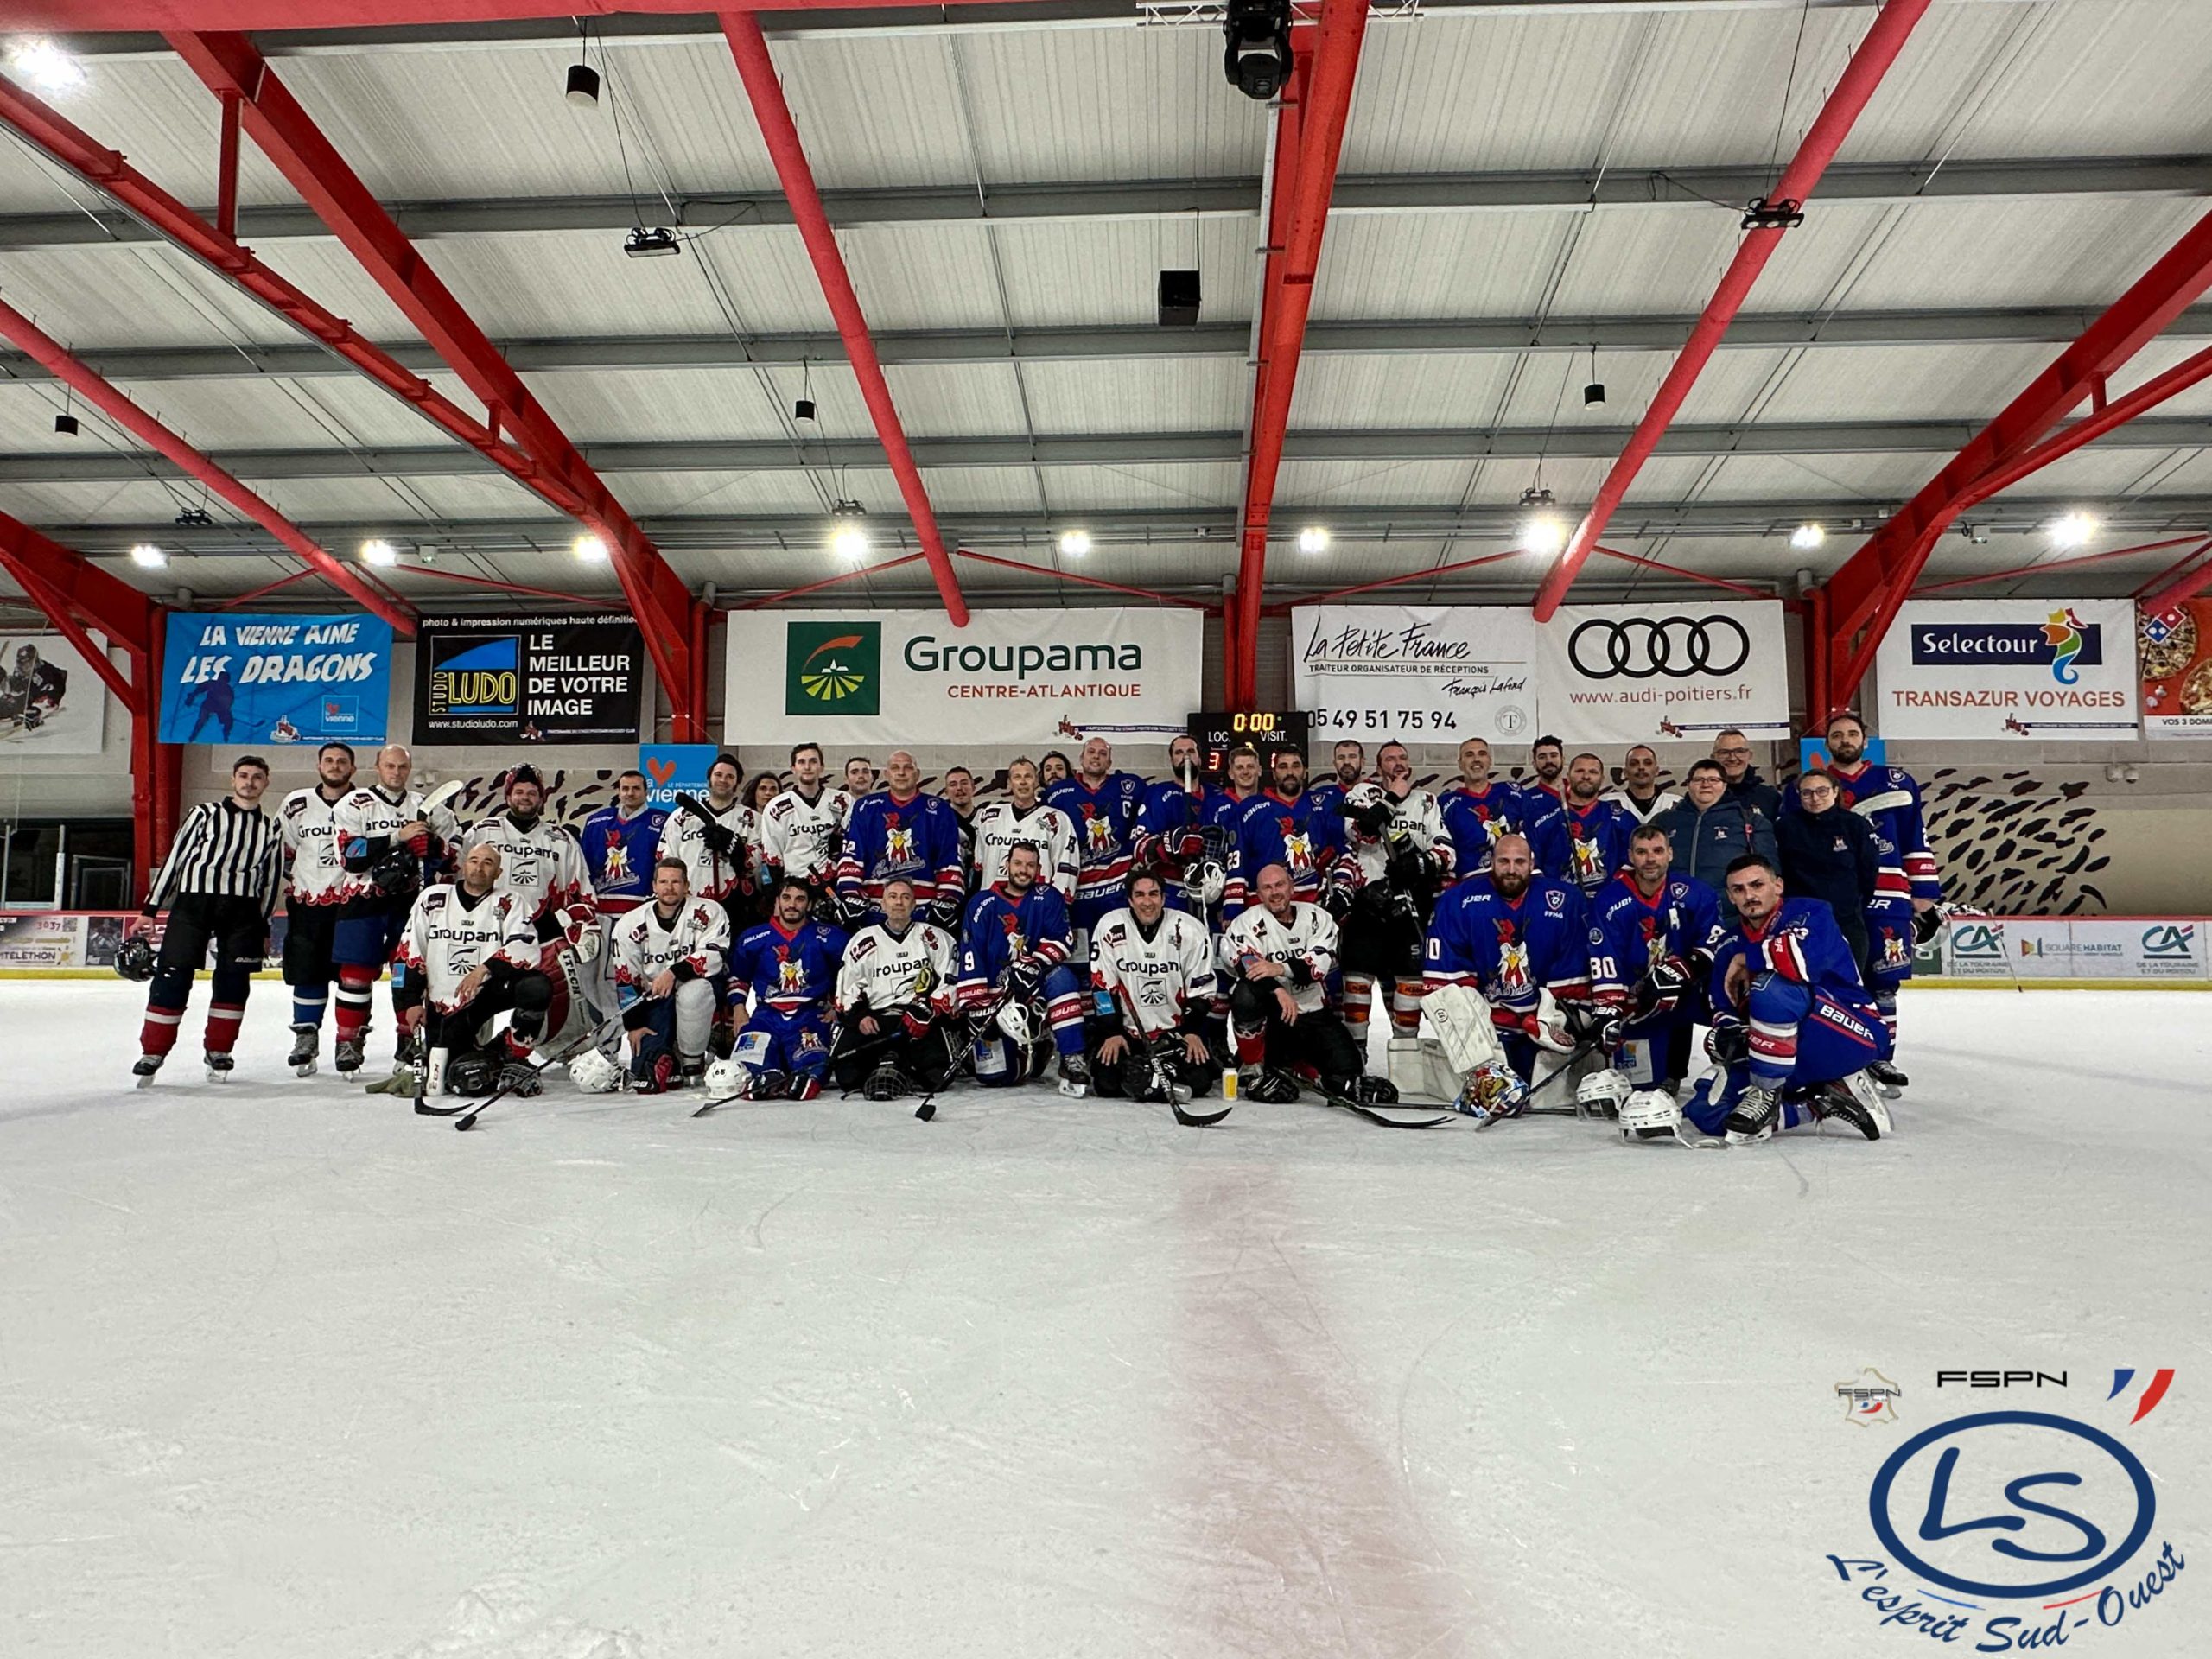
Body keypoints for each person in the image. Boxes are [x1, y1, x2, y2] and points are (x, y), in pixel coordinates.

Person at [1681, 855, 1891, 1145]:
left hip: (1850, 1035)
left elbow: (1799, 961)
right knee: (1707, 1112)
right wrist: (1729, 1035)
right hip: (1782, 1052)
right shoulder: (1729, 944)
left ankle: (1766, 1092)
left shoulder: (1812, 913)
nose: (1749, 895)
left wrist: (1747, 958)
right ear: (1730, 896)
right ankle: (1818, 1104)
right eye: (1739, 889)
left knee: (1771, 986)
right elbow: (1723, 1006)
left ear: (1778, 886)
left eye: (1757, 885)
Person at [130, 755, 286, 1085]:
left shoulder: (271, 827)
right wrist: (150, 909)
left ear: (266, 783)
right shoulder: (204, 814)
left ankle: (219, 1049)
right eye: (243, 775)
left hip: (243, 910)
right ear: (233, 780)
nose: (249, 782)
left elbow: (271, 881)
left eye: (257, 777)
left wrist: (264, 925)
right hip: (194, 904)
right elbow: (175, 859)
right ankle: (153, 1051)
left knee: (234, 981)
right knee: (173, 976)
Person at [1813, 710, 1941, 1094]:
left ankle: (1882, 1058)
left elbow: (1914, 835)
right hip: (1833, 897)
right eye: (1838, 735)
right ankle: (1841, 1059)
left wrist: (1924, 891)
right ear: (1827, 743)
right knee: (1835, 982)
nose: (1845, 740)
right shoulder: (1813, 786)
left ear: (1865, 741)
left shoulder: (1897, 782)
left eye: (1852, 734)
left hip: (1889, 894)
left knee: (1884, 984)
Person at [1421, 833, 1592, 1116]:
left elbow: (1573, 976)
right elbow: (1445, 986)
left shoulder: (1565, 901)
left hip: (1539, 1027)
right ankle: (1483, 1078)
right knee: (1449, 999)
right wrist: (1476, 1036)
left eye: (1519, 862)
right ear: (1491, 862)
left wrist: (1553, 1023)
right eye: (1504, 861)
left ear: (1532, 864)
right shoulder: (1458, 901)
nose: (1511, 869)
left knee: (1548, 1091)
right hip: (1488, 1031)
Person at [393, 842, 557, 1098]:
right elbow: (408, 952)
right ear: (463, 865)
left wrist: (484, 969)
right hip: (445, 1003)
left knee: (536, 987)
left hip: (488, 991)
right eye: (474, 860)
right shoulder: (434, 899)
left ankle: (514, 1051)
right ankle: (493, 1056)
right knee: (461, 1078)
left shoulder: (509, 902)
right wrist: (410, 1002)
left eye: (488, 863)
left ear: (498, 873)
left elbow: (525, 946)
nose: (479, 867)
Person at [331, 743, 455, 1077]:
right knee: (355, 975)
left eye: (402, 767)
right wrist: (396, 837)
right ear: (377, 767)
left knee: (408, 973)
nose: (396, 772)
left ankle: (409, 1039)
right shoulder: (354, 803)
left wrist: (434, 846)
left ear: (409, 769)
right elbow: (350, 856)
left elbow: (455, 851)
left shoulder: (427, 807)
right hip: (362, 901)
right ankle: (348, 1040)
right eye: (390, 766)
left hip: (411, 904)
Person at [1220, 862, 1389, 1105]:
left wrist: (1278, 968)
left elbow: (1317, 966)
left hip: (1313, 1013)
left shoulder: (1317, 918)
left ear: (1291, 887)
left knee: (1350, 1070)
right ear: (1259, 894)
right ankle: (1253, 1065)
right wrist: (1278, 990)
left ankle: (1305, 1067)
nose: (1275, 892)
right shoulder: (1245, 924)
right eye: (1267, 888)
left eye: (1280, 885)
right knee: (1245, 994)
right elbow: (1248, 968)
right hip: (1274, 1020)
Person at [1587, 824, 1724, 1098]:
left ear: (1670, 854)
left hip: (1687, 993)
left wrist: (1682, 970)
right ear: (1630, 856)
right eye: (1642, 852)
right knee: (1643, 1088)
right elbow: (1605, 957)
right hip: (1638, 1002)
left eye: (1658, 851)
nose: (1650, 859)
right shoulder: (1609, 900)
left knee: (1734, 991)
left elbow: (1715, 940)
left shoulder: (1697, 893)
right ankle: (1666, 1072)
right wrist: (1609, 1011)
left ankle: (1731, 1063)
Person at [1335, 741, 1449, 1046]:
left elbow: (1446, 851)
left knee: (1410, 981)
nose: (1397, 763)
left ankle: (1405, 1052)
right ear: (1377, 766)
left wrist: (1419, 864)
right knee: (1357, 981)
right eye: (1389, 758)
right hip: (1367, 905)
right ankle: (1357, 1055)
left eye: (1402, 758)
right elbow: (1363, 831)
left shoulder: (1427, 801)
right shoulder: (1361, 793)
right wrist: (1393, 797)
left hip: (1410, 904)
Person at [957, 844, 1089, 1091]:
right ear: (1006, 864)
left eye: (1030, 865)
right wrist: (978, 1010)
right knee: (996, 1077)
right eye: (1018, 863)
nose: (1023, 870)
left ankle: (1072, 1057)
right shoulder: (981, 903)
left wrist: (1034, 964)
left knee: (1063, 978)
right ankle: (1035, 1049)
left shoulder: (1048, 896)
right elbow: (971, 956)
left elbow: (1063, 939)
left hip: (1035, 990)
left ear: (1038, 869)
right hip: (997, 999)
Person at [1086, 870, 1220, 1103]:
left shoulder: (1188, 929)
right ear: (1130, 900)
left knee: (1201, 1081)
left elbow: (1203, 990)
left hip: (1174, 1034)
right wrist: (1112, 1033)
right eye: (1139, 895)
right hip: (1128, 1033)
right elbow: (1102, 990)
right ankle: (1158, 1080)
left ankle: (1148, 1081)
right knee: (1105, 1084)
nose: (1147, 902)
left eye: (1153, 894)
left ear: (1164, 898)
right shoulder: (1110, 926)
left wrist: (1190, 1031)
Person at [607, 857, 731, 1093]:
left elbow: (715, 956)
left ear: (687, 885)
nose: (669, 887)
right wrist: (634, 1025)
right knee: (647, 1075)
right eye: (663, 882)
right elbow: (625, 976)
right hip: (655, 1000)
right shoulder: (630, 923)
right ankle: (670, 1053)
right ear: (654, 886)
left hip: (700, 993)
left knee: (693, 992)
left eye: (676, 882)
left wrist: (674, 973)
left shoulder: (709, 911)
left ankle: (693, 1060)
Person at [718, 878, 847, 1101]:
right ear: (777, 901)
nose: (792, 905)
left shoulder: (831, 937)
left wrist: (838, 1008)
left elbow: (852, 975)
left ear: (809, 904)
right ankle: (769, 1076)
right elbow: (738, 976)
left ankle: (803, 1076)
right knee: (748, 1064)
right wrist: (738, 1008)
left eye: (800, 899)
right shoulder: (753, 938)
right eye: (786, 898)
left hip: (811, 1014)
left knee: (811, 1067)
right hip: (766, 1016)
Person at [832, 876, 959, 1101]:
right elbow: (848, 986)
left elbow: (952, 978)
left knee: (938, 1078)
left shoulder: (934, 937)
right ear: (882, 904)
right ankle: (889, 1061)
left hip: (916, 1020)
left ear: (914, 904)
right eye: (892, 896)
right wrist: (860, 1017)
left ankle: (901, 1064)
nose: (899, 902)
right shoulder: (863, 939)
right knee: (847, 1077)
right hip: (876, 1019)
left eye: (905, 897)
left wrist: (927, 1010)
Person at [277, 741, 357, 1076]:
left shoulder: (366, 803)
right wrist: (305, 879)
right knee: (308, 973)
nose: (335, 765)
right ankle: (306, 1037)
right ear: (319, 766)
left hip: (354, 906)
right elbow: (282, 852)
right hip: (308, 907)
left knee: (353, 977)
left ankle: (349, 1040)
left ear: (353, 768)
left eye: (342, 761)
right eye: (329, 760)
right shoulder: (296, 803)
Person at [1043, 736, 1146, 960]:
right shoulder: (1057, 792)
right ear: (1081, 758)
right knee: (1080, 957)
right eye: (1091, 752)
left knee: (1119, 953)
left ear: (1110, 762)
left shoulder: (1130, 786)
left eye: (1102, 753)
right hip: (1077, 890)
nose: (1096, 757)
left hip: (1116, 890)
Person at [839, 748, 964, 930]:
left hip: (924, 909)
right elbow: (852, 855)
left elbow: (949, 859)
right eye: (895, 768)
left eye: (908, 767)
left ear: (917, 774)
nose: (901, 772)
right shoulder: (865, 807)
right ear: (886, 774)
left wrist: (947, 899)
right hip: (872, 908)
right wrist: (851, 894)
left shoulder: (940, 810)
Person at [1221, 746, 1350, 918]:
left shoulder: (1325, 804)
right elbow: (1237, 858)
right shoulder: (1249, 808)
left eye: (1296, 766)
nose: (1290, 772)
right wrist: (1232, 908)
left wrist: (1341, 891)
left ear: (1305, 771)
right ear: (1274, 773)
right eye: (1283, 767)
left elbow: (1344, 851)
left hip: (1316, 905)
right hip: (1263, 906)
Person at [1776, 769, 1881, 973]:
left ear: (1835, 791)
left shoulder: (1855, 825)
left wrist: (1852, 902)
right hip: (1801, 920)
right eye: (1807, 793)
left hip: (1846, 920)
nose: (1815, 798)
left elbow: (1868, 872)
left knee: (1849, 980)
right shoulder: (1785, 827)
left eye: (1822, 791)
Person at [1651, 760, 1777, 921]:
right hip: (1672, 915)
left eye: (1713, 780)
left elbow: (1770, 870)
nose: (1706, 785)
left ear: (1724, 785)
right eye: (1698, 780)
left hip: (1731, 917)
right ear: (1688, 785)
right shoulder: (1663, 821)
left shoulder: (1749, 820)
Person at [662, 753, 758, 935]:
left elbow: (757, 867)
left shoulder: (751, 819)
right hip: (688, 901)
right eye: (718, 775)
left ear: (737, 783)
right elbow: (666, 861)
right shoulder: (681, 817)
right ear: (709, 779)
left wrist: (736, 849)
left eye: (730, 776)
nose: (723, 780)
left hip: (734, 906)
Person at [1134, 734, 1228, 912]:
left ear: (1200, 758)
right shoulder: (1158, 794)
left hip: (1213, 891)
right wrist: (1166, 845)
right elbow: (1138, 846)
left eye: (1191, 751)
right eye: (1179, 752)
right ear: (1171, 760)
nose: (1185, 756)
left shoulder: (1218, 795)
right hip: (1171, 891)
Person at [1528, 752, 1636, 896]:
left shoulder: (1621, 818)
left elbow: (1636, 861)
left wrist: (1613, 890)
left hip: (1607, 902)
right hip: (1560, 903)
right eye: (1579, 771)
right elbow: (1532, 865)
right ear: (1568, 776)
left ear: (1602, 779)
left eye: (1593, 772)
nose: (1586, 776)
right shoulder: (1544, 820)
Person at [971, 756, 1078, 900]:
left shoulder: (1057, 819)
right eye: (1017, 777)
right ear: (1009, 783)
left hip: (1036, 904)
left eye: (1028, 776)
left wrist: (1055, 904)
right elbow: (979, 867)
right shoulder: (989, 817)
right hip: (993, 903)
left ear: (1036, 781)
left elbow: (1066, 867)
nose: (1023, 782)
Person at [759, 743, 853, 906]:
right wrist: (774, 897)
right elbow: (771, 859)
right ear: (793, 768)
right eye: (801, 762)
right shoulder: (777, 807)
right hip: (793, 891)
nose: (807, 767)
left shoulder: (843, 801)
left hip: (833, 886)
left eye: (813, 761)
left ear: (822, 767)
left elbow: (854, 846)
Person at [579, 768, 667, 918]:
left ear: (646, 792)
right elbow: (583, 865)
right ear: (618, 792)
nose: (630, 793)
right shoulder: (596, 822)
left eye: (636, 788)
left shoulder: (663, 822)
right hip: (600, 909)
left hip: (643, 908)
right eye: (625, 788)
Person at [1437, 736, 1527, 879]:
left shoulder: (1512, 792)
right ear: (1460, 764)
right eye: (1469, 755)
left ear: (1490, 761)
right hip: (1473, 881)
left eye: (1482, 754)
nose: (1476, 759)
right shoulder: (1445, 803)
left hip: (1514, 878)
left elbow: (1534, 834)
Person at [1603, 744, 1681, 829]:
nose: (1641, 767)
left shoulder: (1677, 804)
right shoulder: (1606, 803)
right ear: (1625, 772)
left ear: (1657, 771)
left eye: (1647, 763)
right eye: (1634, 764)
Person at [1712, 729, 1783, 820]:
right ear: (1713, 757)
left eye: (1740, 751)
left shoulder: (1770, 797)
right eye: (1724, 752)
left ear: (1750, 755)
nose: (1732, 758)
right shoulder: (1703, 796)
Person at [1306, 738, 1368, 824]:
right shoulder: (1321, 795)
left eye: (1352, 757)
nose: (1346, 762)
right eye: (1341, 757)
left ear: (1362, 762)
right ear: (1335, 764)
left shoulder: (1375, 794)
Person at [939, 765, 979, 893]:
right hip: (949, 886)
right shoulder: (939, 822)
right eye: (953, 784)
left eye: (964, 783)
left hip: (980, 885)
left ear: (973, 788)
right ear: (946, 792)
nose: (959, 788)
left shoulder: (987, 820)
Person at [180, 664, 237, 742]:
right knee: (203, 721)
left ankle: (226, 733)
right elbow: (199, 689)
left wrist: (191, 697)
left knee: (227, 721)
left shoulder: (226, 689)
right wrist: (191, 697)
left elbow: (229, 701)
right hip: (210, 706)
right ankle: (193, 736)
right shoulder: (215, 684)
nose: (222, 682)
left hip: (217, 708)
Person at [1522, 734, 1567, 810]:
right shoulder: (1526, 799)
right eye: (1542, 757)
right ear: (1534, 764)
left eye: (1554, 755)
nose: (1549, 761)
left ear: (1563, 760)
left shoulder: (1578, 790)